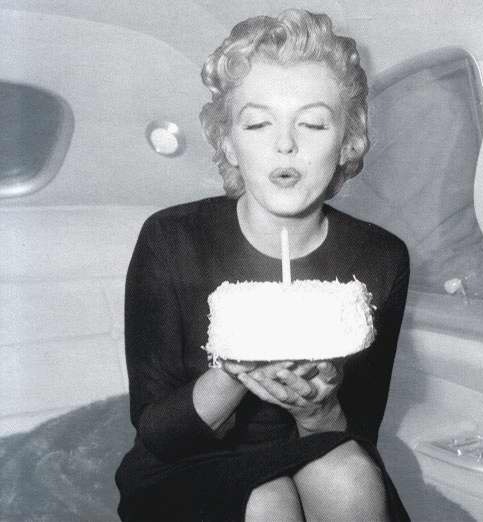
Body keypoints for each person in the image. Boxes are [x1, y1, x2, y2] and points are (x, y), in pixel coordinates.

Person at [116, 8, 410, 522]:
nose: (285, 144)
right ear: (229, 143)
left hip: (316, 446)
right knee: (269, 500)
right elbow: (157, 434)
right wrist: (237, 369)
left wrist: (318, 410)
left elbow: (361, 430)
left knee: (349, 478)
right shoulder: (170, 239)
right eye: (257, 123)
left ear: (348, 141)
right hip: (187, 460)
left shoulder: (381, 257)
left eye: (313, 123)